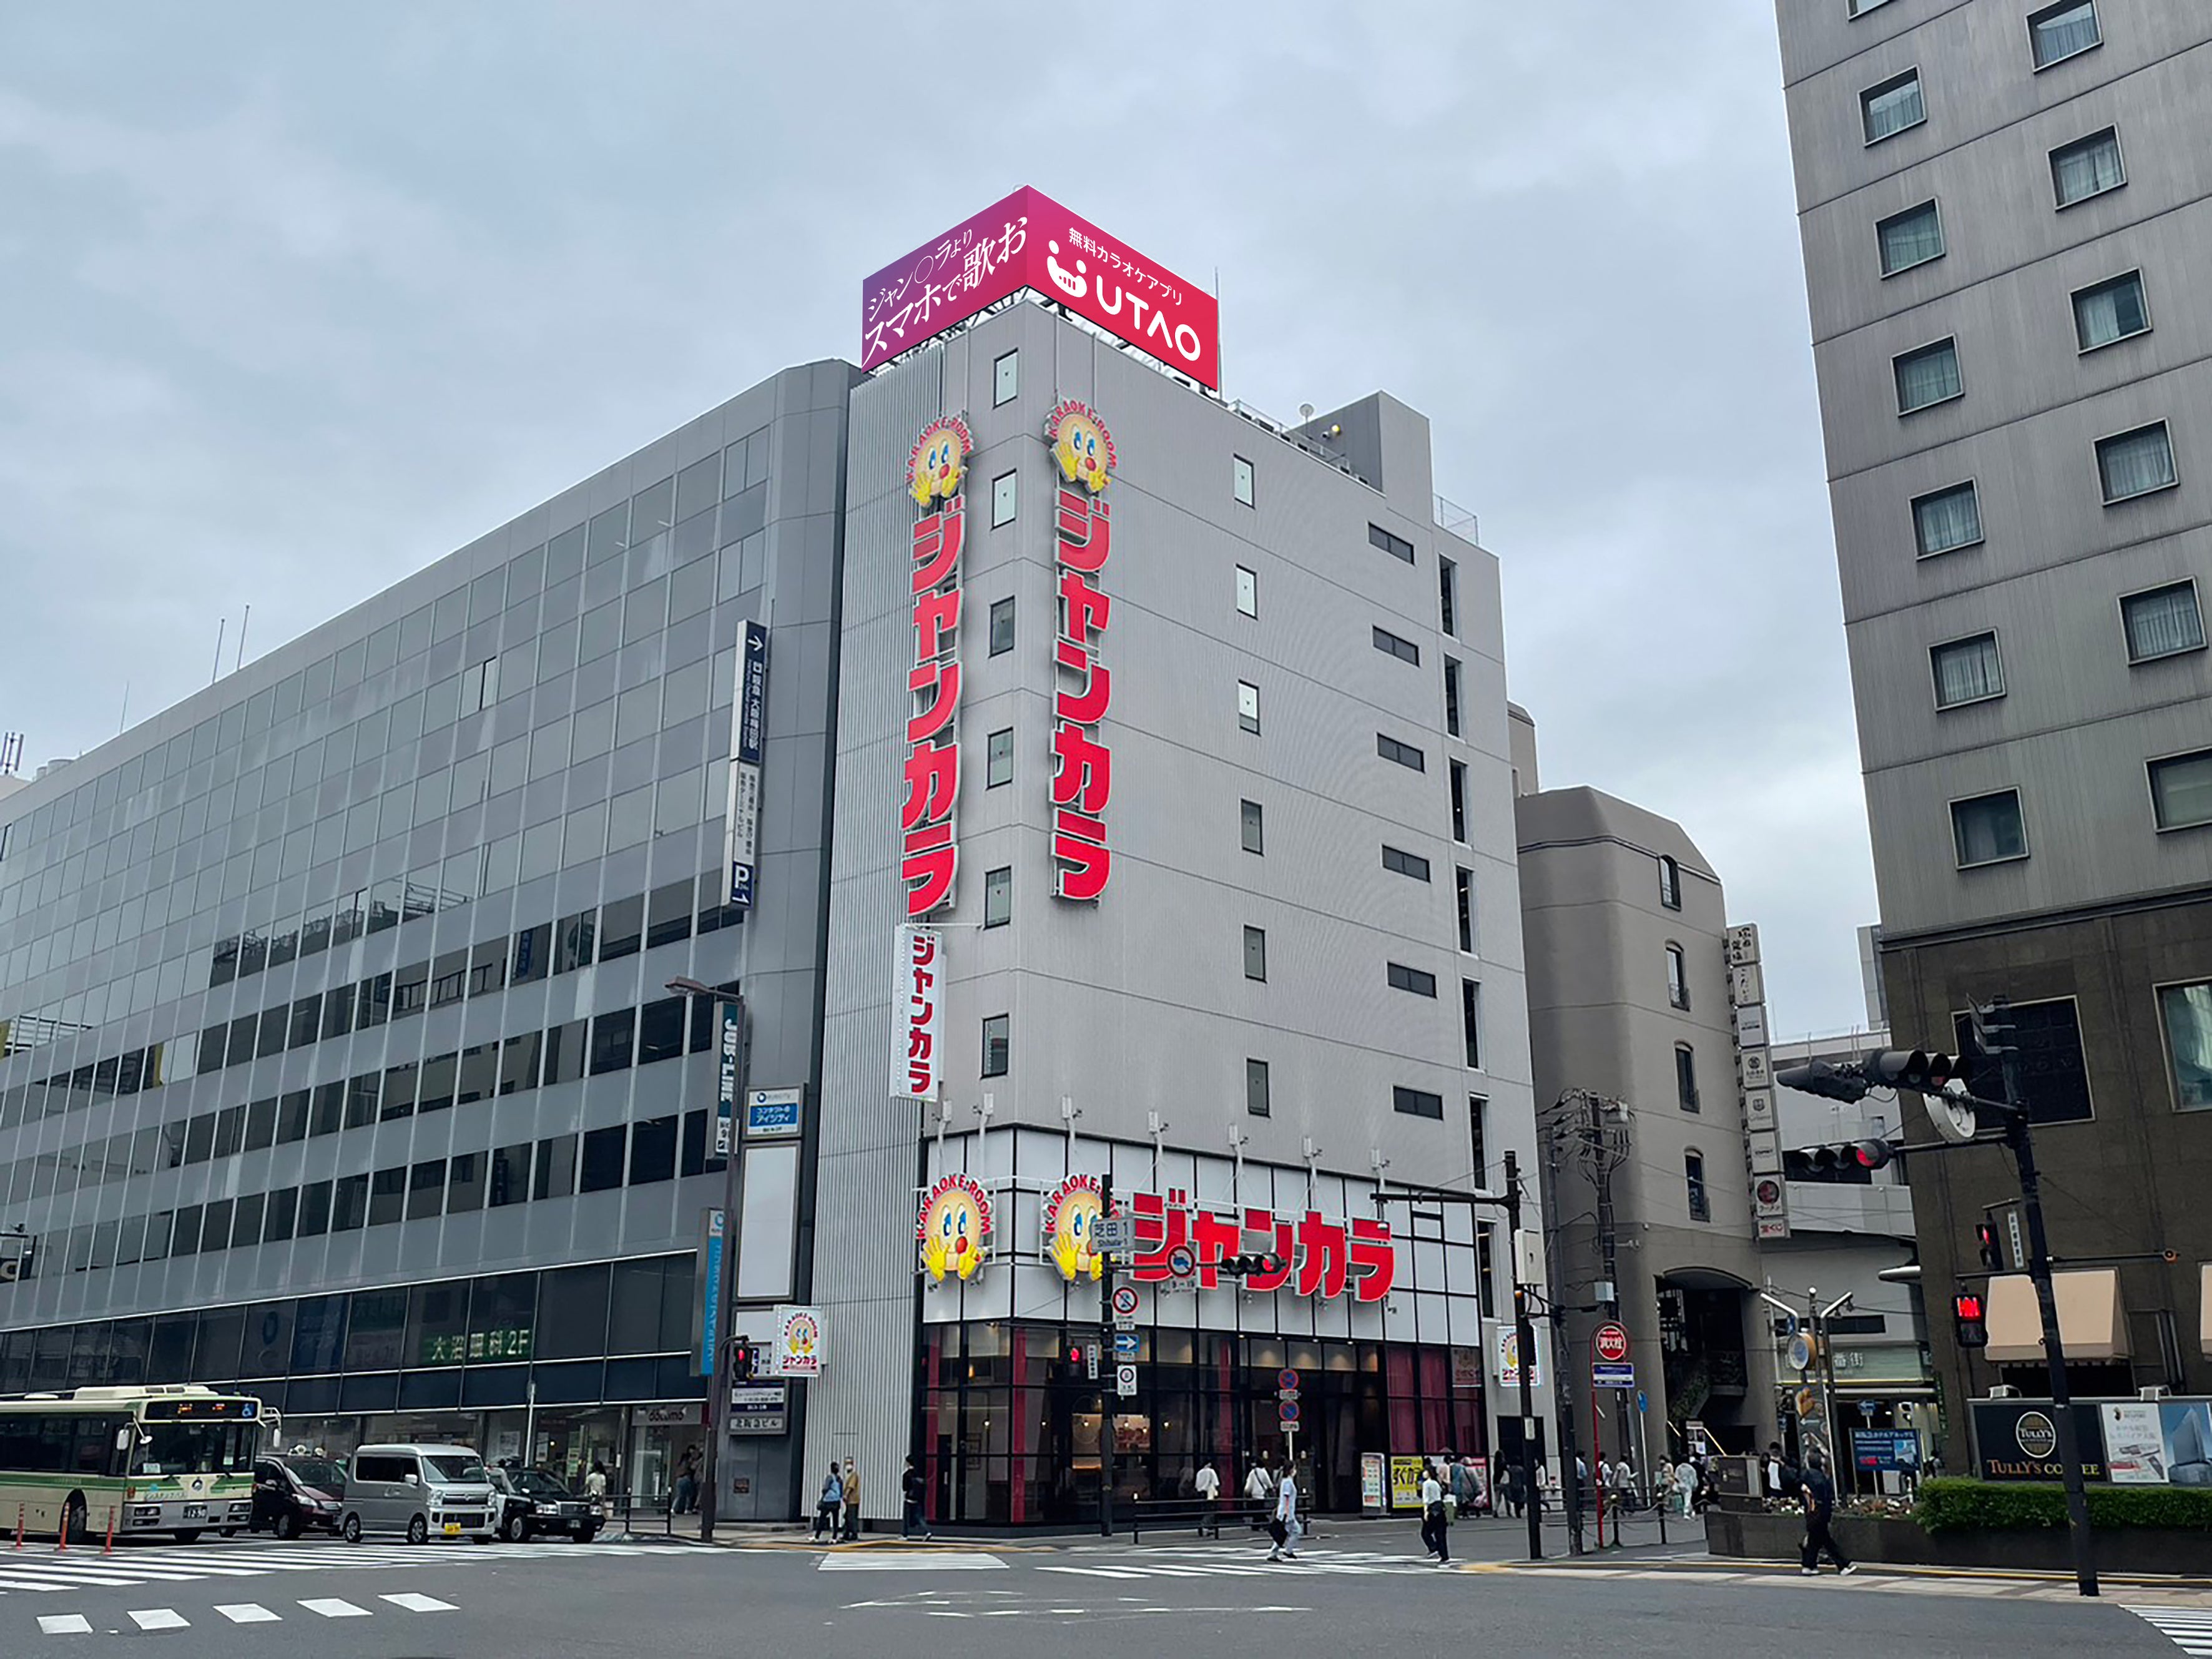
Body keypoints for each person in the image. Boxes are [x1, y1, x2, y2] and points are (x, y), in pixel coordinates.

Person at [1798, 1453, 1854, 1576]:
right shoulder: (1821, 1478)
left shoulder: (1805, 1477)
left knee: (1816, 1540)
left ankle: (1809, 1565)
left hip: (1811, 1512)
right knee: (1826, 1541)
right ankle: (1842, 1565)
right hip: (1820, 1513)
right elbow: (1826, 1497)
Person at [1267, 1460, 1300, 1562]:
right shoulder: (1287, 1482)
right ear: (1291, 1470)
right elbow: (1286, 1498)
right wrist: (1286, 1513)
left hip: (1286, 1512)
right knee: (1294, 1531)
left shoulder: (1286, 1481)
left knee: (1283, 1534)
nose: (1295, 1471)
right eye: (1294, 1469)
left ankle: (1276, 1553)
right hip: (1287, 1513)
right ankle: (1287, 1551)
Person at [1420, 1462, 1450, 1563]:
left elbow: (1426, 1499)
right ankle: (1444, 1555)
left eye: (1425, 1471)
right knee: (1441, 1534)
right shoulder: (1436, 1483)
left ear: (1428, 1473)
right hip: (1440, 1508)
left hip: (1432, 1509)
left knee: (1425, 1533)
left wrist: (1426, 1512)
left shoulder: (1426, 1484)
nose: (1423, 1473)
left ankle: (1433, 1548)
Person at [902, 1455, 931, 1540]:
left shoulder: (907, 1475)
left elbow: (905, 1488)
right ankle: (927, 1531)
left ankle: (905, 1535)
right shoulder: (919, 1473)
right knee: (919, 1517)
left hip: (909, 1498)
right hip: (918, 1498)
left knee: (906, 1518)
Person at [814, 1462, 844, 1541]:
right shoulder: (839, 1479)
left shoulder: (830, 1478)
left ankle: (817, 1537)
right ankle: (834, 1537)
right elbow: (841, 1491)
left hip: (828, 1501)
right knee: (835, 1520)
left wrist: (822, 1497)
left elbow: (825, 1488)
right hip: (836, 1501)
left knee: (822, 1519)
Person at [1244, 1457, 1276, 1527]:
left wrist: (1247, 1491)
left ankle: (1256, 1525)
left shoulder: (1252, 1473)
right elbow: (1268, 1482)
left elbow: (1249, 1484)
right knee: (1261, 1510)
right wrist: (1271, 1487)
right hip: (1261, 1494)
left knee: (1256, 1510)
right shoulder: (1264, 1472)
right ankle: (1263, 1523)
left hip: (1254, 1494)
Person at [1194, 1458, 1221, 1534]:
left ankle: (1202, 1526)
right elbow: (1216, 1483)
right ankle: (1206, 1526)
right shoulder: (1211, 1472)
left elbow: (1197, 1485)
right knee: (1211, 1511)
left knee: (1203, 1510)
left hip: (1201, 1493)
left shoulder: (1199, 1473)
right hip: (1210, 1494)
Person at [672, 1447, 699, 1516]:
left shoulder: (682, 1461)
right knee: (690, 1495)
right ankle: (687, 1509)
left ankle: (673, 1509)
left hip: (679, 1478)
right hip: (686, 1477)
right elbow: (693, 1468)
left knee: (680, 1495)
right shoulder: (690, 1460)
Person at [842, 1457, 862, 1542]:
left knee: (852, 1518)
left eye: (849, 1463)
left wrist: (846, 1495)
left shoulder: (854, 1475)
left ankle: (854, 1535)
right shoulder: (847, 1475)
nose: (848, 1465)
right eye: (847, 1463)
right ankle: (846, 1534)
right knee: (847, 1517)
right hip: (849, 1501)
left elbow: (851, 1486)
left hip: (853, 1500)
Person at [584, 1459, 609, 1524]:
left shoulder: (591, 1476)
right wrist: (604, 1497)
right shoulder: (602, 1477)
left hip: (592, 1494)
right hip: (600, 1494)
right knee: (601, 1508)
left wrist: (585, 1494)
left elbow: (587, 1486)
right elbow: (603, 1488)